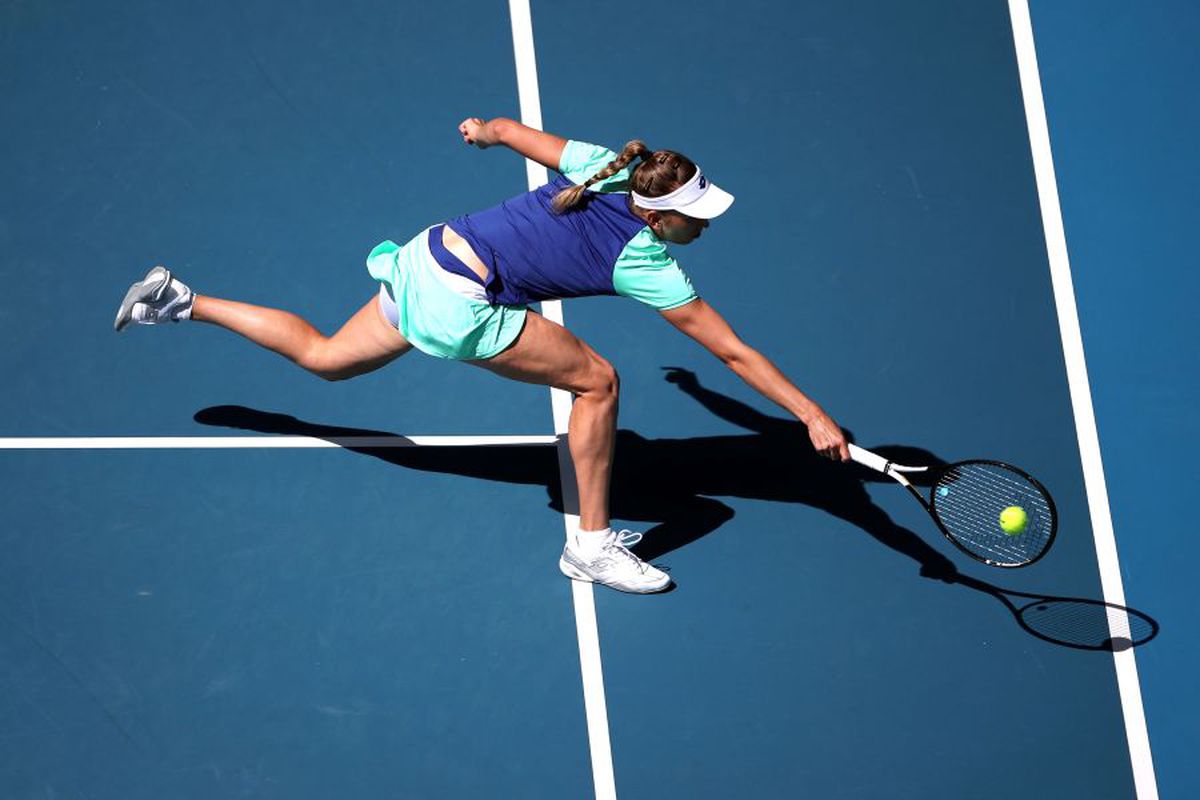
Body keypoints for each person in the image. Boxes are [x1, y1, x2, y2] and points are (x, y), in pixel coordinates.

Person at [114, 116, 850, 594]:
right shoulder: (647, 262)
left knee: (327, 357)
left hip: (428, 253)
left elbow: (509, 131)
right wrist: (811, 415)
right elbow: (734, 353)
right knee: (598, 384)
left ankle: (178, 300)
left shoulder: (608, 164)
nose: (704, 227)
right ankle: (590, 548)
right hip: (458, 297)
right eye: (695, 218)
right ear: (658, 216)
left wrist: (484, 131)